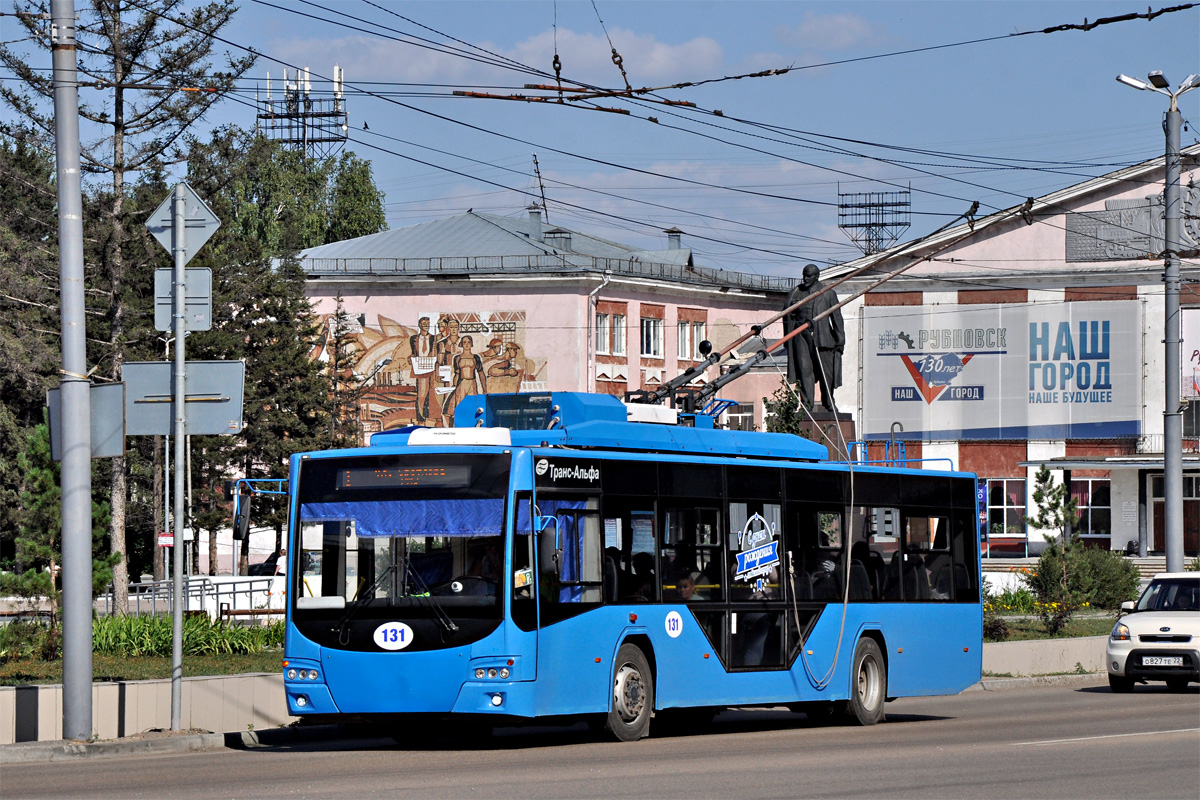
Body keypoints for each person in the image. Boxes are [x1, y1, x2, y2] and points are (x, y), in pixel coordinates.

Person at [783, 263, 845, 411]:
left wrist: (840, 340)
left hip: (823, 338)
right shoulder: (795, 293)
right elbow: (786, 316)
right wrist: (787, 338)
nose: (805, 278)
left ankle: (829, 402)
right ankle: (806, 405)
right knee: (804, 371)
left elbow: (837, 318)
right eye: (804, 275)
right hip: (800, 338)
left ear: (817, 276)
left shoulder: (828, 293)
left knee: (826, 373)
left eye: (809, 275)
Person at [409, 316, 436, 423]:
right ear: (419, 325)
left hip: (432, 367)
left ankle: (430, 415)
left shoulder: (433, 338)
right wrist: (410, 358)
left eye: (428, 324)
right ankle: (421, 417)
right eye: (424, 324)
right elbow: (413, 353)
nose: (426, 326)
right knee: (421, 394)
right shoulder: (414, 339)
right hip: (420, 368)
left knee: (432, 393)